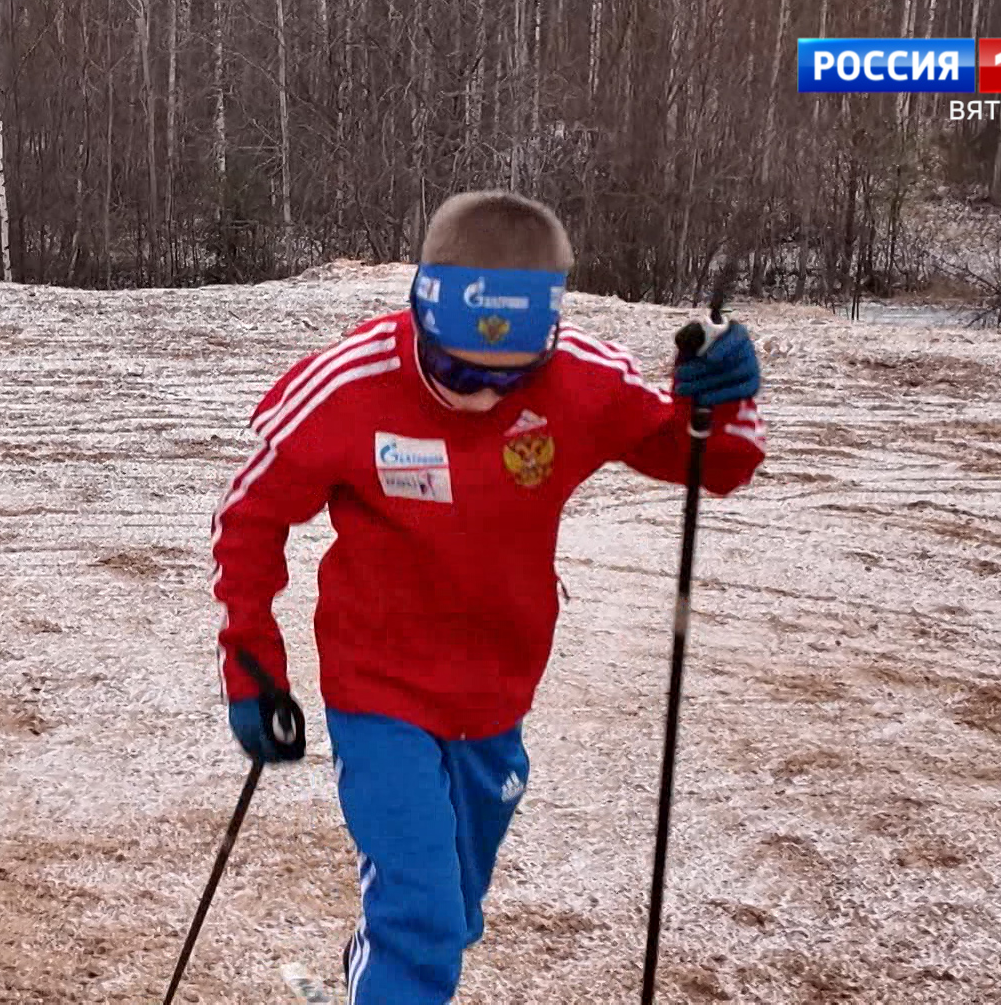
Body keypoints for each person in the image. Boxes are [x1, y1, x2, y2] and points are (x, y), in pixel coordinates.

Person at [208, 190, 766, 1003]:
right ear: (421, 316)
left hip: (496, 693)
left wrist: (720, 400)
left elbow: (712, 464)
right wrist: (253, 668)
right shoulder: (346, 387)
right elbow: (247, 520)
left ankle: (384, 965)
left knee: (454, 913)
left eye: (509, 379)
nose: (480, 398)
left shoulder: (581, 377)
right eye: (458, 371)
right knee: (422, 918)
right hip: (380, 692)